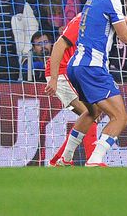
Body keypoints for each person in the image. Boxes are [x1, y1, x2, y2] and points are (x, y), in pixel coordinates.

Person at [60, 0, 127, 166]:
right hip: (92, 67)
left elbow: (122, 23)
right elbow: (126, 37)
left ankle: (65, 159)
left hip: (75, 66)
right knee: (120, 117)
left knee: (92, 112)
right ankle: (95, 160)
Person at [44, 14, 98, 165]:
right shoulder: (84, 18)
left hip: (73, 72)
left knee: (90, 116)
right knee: (90, 114)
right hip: (61, 73)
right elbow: (59, 45)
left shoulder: (98, 16)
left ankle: (58, 161)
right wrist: (54, 79)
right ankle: (92, 160)